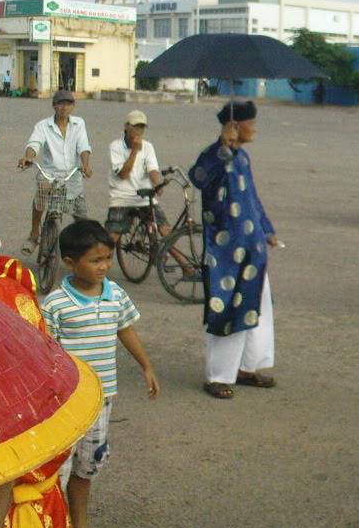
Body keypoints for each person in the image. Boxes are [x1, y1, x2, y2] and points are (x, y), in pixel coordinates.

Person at [40, 220, 160, 528]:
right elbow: (46, 352)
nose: (104, 266)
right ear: (70, 262)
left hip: (102, 401)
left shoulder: (115, 294)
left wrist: (146, 366)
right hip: (65, 404)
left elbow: (125, 330)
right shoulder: (56, 303)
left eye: (108, 258)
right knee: (57, 471)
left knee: (87, 466)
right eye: (96, 260)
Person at [190, 100, 280, 399]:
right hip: (225, 255)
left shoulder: (243, 158)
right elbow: (198, 177)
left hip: (253, 249)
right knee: (226, 310)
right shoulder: (214, 155)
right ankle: (218, 376)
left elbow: (252, 197)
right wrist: (220, 147)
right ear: (235, 125)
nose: (254, 128)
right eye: (250, 123)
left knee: (258, 309)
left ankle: (247, 368)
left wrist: (266, 230)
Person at [17, 89, 93, 255]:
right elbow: (34, 144)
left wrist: (85, 165)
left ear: (73, 106)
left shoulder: (79, 124)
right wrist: (28, 157)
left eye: (68, 103)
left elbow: (83, 146)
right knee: (41, 194)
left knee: (82, 220)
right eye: (61, 103)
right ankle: (34, 234)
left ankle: (84, 252)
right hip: (50, 175)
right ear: (54, 105)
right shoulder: (43, 126)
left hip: (72, 176)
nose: (64, 107)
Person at [105, 109, 170, 242]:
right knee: (112, 238)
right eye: (136, 126)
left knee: (166, 231)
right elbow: (123, 174)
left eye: (142, 127)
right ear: (126, 126)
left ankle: (183, 263)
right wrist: (134, 150)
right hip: (122, 198)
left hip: (145, 197)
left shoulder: (148, 146)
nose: (139, 131)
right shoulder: (115, 146)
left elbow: (152, 169)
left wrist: (157, 185)